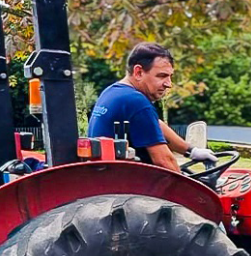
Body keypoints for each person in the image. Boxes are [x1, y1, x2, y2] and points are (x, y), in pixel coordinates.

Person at [87, 42, 216, 172]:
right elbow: (164, 161)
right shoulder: (136, 101)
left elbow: (155, 124)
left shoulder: (112, 92)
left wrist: (191, 151)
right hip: (127, 183)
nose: (169, 84)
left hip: (106, 176)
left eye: (170, 76)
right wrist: (190, 189)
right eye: (162, 76)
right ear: (138, 72)